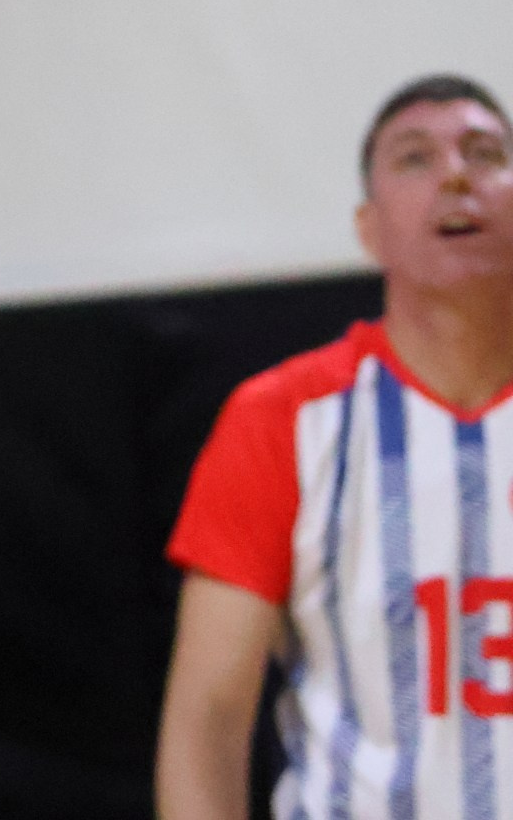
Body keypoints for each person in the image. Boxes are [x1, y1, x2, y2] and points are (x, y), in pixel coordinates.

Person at [158, 74, 513, 820]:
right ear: (369, 228)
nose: (455, 173)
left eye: (484, 152)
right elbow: (208, 724)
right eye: (415, 158)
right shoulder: (280, 420)